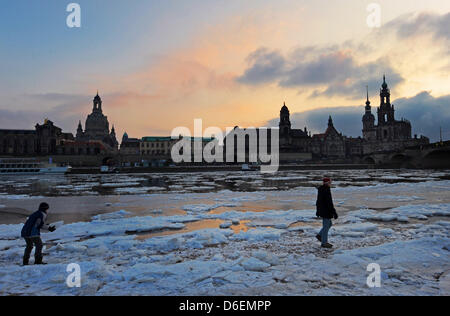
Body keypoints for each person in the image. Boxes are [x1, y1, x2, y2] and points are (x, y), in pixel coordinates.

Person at [315, 177, 338, 248]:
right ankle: (324, 243)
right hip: (326, 211)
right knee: (326, 226)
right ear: (327, 182)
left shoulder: (321, 189)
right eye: (330, 182)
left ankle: (320, 235)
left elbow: (318, 201)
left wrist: (318, 210)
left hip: (323, 210)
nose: (330, 184)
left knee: (329, 224)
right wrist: (334, 212)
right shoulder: (326, 190)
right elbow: (329, 203)